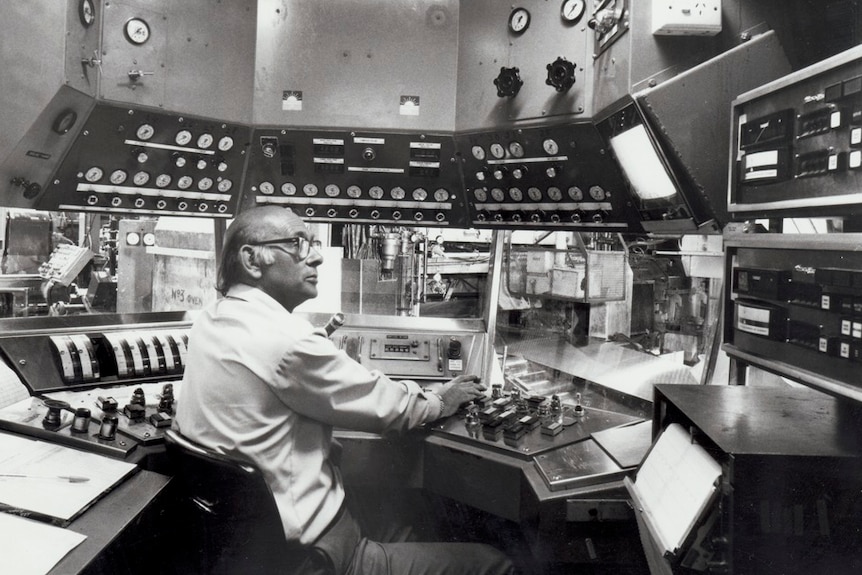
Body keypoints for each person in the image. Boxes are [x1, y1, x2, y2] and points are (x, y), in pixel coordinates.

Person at [174, 205, 515, 575]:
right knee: (494, 563)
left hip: (251, 547)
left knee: (405, 518)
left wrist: (312, 354)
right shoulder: (289, 342)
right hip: (319, 557)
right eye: (298, 244)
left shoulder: (211, 319)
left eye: (314, 243)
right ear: (253, 260)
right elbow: (392, 409)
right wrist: (440, 399)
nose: (317, 256)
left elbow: (270, 371)